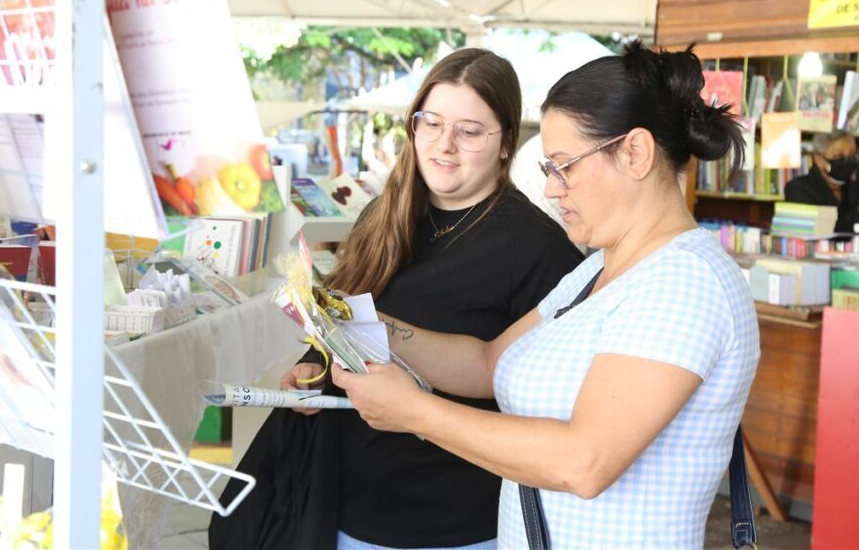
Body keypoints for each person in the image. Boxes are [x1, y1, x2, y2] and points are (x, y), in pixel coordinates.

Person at [331, 40, 761, 549]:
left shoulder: (683, 283)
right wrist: (363, 323)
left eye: (564, 166)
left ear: (635, 153)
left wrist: (415, 413)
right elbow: (488, 362)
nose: (553, 189)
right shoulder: (599, 269)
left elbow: (584, 461)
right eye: (548, 171)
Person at [210, 48, 582, 550]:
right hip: (340, 507)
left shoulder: (540, 250)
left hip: (451, 524)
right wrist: (313, 367)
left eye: (470, 131)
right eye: (432, 123)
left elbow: (546, 401)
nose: (444, 145)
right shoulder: (383, 216)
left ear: (505, 144)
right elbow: (346, 326)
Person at [784, 129, 859, 233]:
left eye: (852, 155)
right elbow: (821, 230)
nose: (847, 162)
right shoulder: (798, 189)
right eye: (839, 156)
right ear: (819, 159)